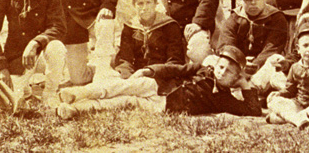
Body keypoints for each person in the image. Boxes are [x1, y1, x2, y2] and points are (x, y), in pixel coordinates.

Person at [57, 43, 263, 119]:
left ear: (236, 77)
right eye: (221, 67)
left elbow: (253, 110)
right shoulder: (204, 69)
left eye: (228, 72)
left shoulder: (224, 99)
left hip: (165, 106)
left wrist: (245, 84)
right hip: (159, 86)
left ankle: (76, 110)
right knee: (123, 86)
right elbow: (176, 69)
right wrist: (149, 70)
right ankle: (78, 94)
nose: (222, 73)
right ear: (215, 64)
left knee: (125, 102)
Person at [215, 0, 290, 77]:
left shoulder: (276, 18)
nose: (253, 2)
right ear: (241, 0)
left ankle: (252, 88)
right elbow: (226, 44)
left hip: (263, 65)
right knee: (210, 60)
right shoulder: (235, 17)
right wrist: (239, 62)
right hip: (237, 64)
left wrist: (254, 65)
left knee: (273, 62)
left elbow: (272, 48)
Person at [111, 0, 186, 79]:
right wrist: (126, 75)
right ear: (134, 5)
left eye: (148, 2)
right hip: (136, 78)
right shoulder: (130, 27)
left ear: (155, 3)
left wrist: (150, 72)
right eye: (140, 4)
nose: (144, 8)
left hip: (162, 77)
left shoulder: (169, 26)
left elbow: (175, 61)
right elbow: (125, 60)